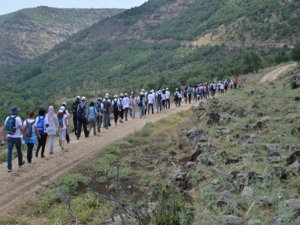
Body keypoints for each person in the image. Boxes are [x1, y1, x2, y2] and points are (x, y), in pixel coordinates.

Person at [3, 107, 25, 172]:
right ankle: (20, 163)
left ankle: (9, 168)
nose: (18, 112)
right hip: (17, 137)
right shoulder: (18, 118)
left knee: (9, 152)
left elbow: (4, 128)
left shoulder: (7, 118)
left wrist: (5, 137)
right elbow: (21, 128)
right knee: (19, 151)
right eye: (17, 111)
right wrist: (24, 134)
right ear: (16, 112)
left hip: (9, 137)